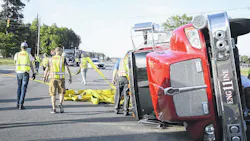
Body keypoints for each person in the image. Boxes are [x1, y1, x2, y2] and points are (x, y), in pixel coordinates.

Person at [43, 47, 72, 114]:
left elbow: (47, 69)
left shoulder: (50, 59)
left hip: (52, 78)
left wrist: (45, 77)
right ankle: (61, 104)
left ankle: (54, 108)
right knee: (61, 92)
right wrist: (70, 76)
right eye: (61, 51)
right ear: (59, 51)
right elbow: (67, 68)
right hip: (61, 78)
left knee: (53, 94)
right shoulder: (63, 59)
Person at [14, 42, 36, 110]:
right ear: (26, 48)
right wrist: (33, 72)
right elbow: (31, 64)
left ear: (21, 47)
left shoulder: (17, 54)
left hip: (18, 72)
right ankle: (21, 104)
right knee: (23, 88)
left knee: (19, 88)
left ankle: (17, 103)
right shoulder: (28, 55)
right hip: (25, 72)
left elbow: (15, 62)